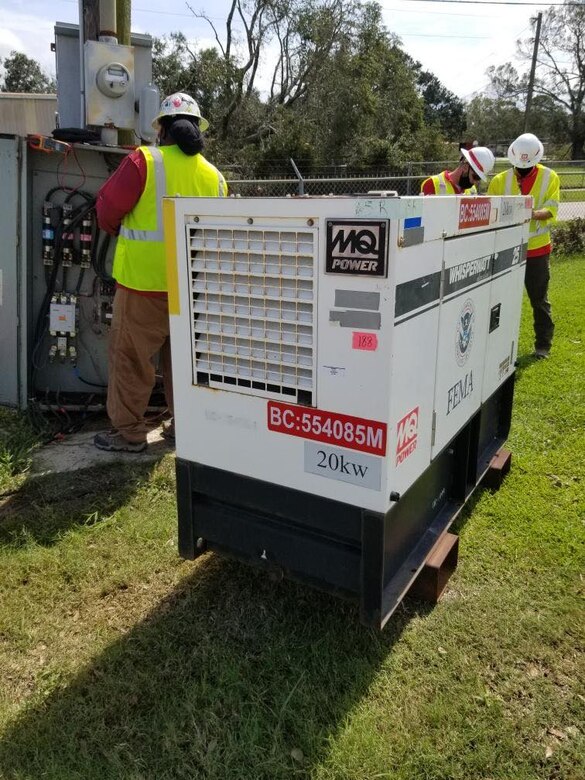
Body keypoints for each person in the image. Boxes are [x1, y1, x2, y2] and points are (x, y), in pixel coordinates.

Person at [94, 92, 227, 452]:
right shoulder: (215, 178)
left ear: (162, 130)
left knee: (131, 360)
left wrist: (118, 230)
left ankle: (129, 434)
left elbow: (107, 208)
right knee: (185, 367)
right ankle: (183, 428)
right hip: (192, 291)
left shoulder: (144, 162)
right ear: (198, 129)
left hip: (142, 286)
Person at [488, 133, 560, 360]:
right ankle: (497, 345)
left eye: (526, 168)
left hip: (537, 250)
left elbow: (551, 210)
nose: (521, 171)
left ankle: (543, 345)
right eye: (518, 167)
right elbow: (491, 211)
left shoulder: (550, 177)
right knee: (501, 300)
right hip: (507, 249)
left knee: (539, 299)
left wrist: (526, 213)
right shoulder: (500, 180)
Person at [421, 146, 495, 195]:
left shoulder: (472, 190)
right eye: (475, 177)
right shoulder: (432, 184)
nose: (475, 182)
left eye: (479, 179)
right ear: (465, 167)